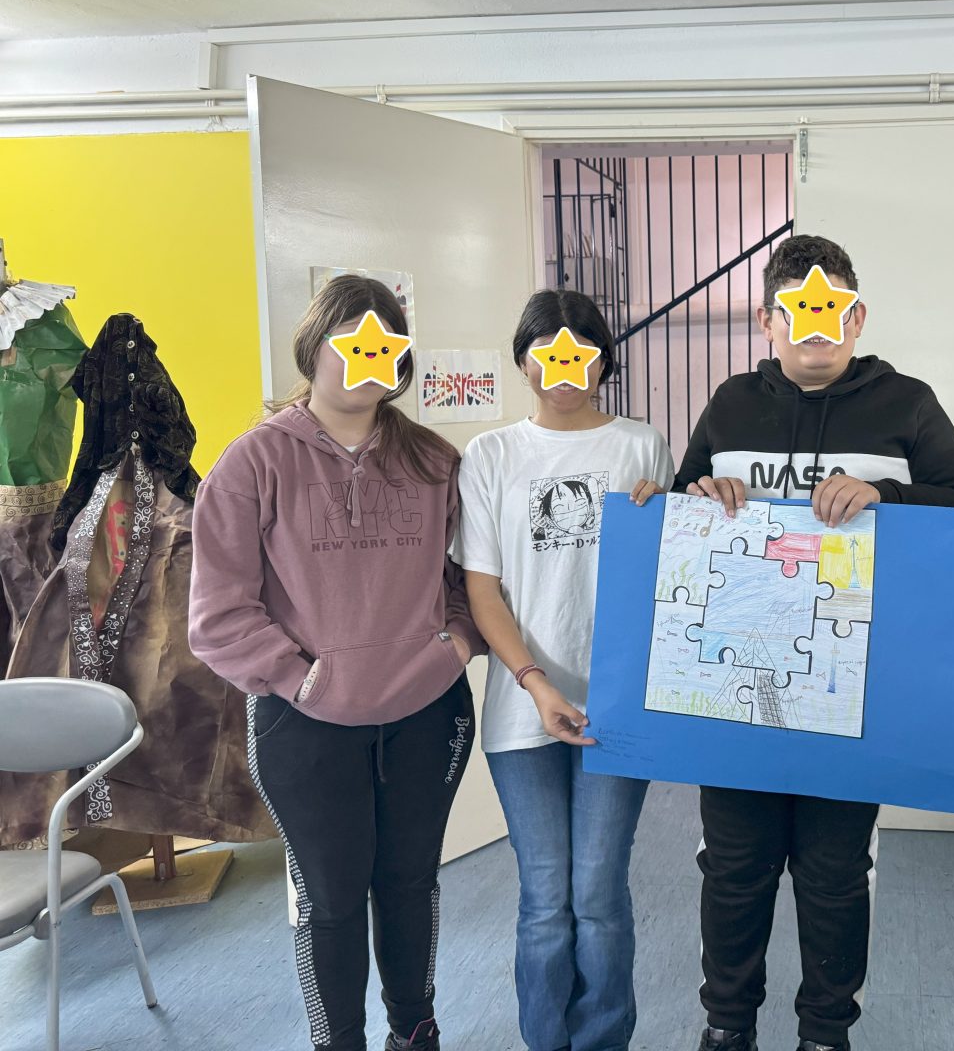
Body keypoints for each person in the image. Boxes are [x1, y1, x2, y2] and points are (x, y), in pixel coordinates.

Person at [675, 234, 954, 1051]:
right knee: (733, 870)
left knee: (836, 873)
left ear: (857, 316)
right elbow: (680, 514)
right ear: (767, 320)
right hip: (737, 690)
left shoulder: (908, 403)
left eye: (834, 310)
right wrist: (701, 490)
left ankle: (825, 1032)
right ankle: (727, 1026)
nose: (818, 326)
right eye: (798, 311)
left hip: (855, 689)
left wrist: (886, 494)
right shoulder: (730, 404)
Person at [189, 276, 484, 1051]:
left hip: (428, 715)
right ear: (314, 346)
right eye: (352, 345)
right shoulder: (252, 463)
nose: (367, 364)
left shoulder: (436, 462)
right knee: (330, 899)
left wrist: (455, 644)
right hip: (305, 722)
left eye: (385, 348)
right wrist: (301, 678)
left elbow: (471, 579)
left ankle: (415, 1034)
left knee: (410, 883)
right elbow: (218, 615)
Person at [455, 288, 674, 1051]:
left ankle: (603, 1040)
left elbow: (669, 572)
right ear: (524, 361)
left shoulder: (642, 445)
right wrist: (535, 682)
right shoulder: (490, 455)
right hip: (523, 706)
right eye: (548, 356)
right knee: (546, 899)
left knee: (600, 895)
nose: (565, 371)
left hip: (618, 704)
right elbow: (482, 589)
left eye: (581, 355)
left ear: (604, 360)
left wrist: (670, 515)